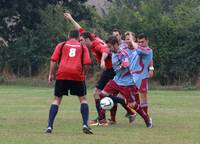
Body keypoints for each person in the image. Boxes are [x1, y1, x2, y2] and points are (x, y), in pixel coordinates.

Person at [64, 12, 116, 126]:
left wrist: (102, 61)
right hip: (112, 69)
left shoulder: (95, 45)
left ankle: (102, 119)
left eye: (81, 40)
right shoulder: (92, 37)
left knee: (97, 93)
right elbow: (80, 29)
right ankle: (108, 117)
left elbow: (106, 50)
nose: (80, 42)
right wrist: (71, 18)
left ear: (87, 40)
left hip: (111, 69)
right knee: (110, 94)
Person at [45, 30, 93, 134]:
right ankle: (85, 124)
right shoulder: (82, 47)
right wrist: (83, 74)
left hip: (62, 74)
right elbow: (87, 63)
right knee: (83, 99)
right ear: (78, 37)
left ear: (68, 36)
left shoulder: (61, 45)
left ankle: (49, 126)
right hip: (77, 74)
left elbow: (53, 60)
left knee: (57, 100)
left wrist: (51, 74)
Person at [98, 35, 153, 128]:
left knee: (133, 105)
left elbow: (126, 63)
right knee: (102, 94)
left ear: (115, 45)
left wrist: (122, 66)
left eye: (110, 46)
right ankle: (102, 118)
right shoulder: (114, 52)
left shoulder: (122, 53)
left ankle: (146, 119)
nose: (109, 49)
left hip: (126, 83)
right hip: (116, 80)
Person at [137, 33, 154, 114]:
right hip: (132, 75)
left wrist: (151, 68)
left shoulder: (148, 50)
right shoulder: (136, 48)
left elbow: (150, 59)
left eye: (142, 42)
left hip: (142, 75)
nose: (140, 44)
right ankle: (132, 111)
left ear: (147, 41)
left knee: (143, 95)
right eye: (139, 42)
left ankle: (145, 116)